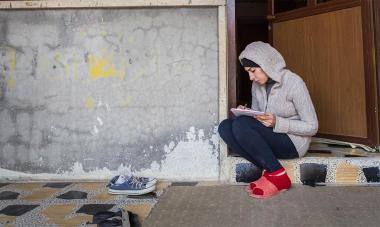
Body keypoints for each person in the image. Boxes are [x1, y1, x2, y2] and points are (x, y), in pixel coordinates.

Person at [218, 41, 318, 199]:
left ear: (266, 64)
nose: (251, 77)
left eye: (253, 70)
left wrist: (277, 122)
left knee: (241, 124)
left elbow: (312, 126)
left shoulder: (294, 82)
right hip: (270, 136)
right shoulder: (257, 86)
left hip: (294, 142)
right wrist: (248, 113)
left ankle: (278, 176)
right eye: (247, 72)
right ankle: (270, 170)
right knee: (225, 127)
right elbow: (258, 117)